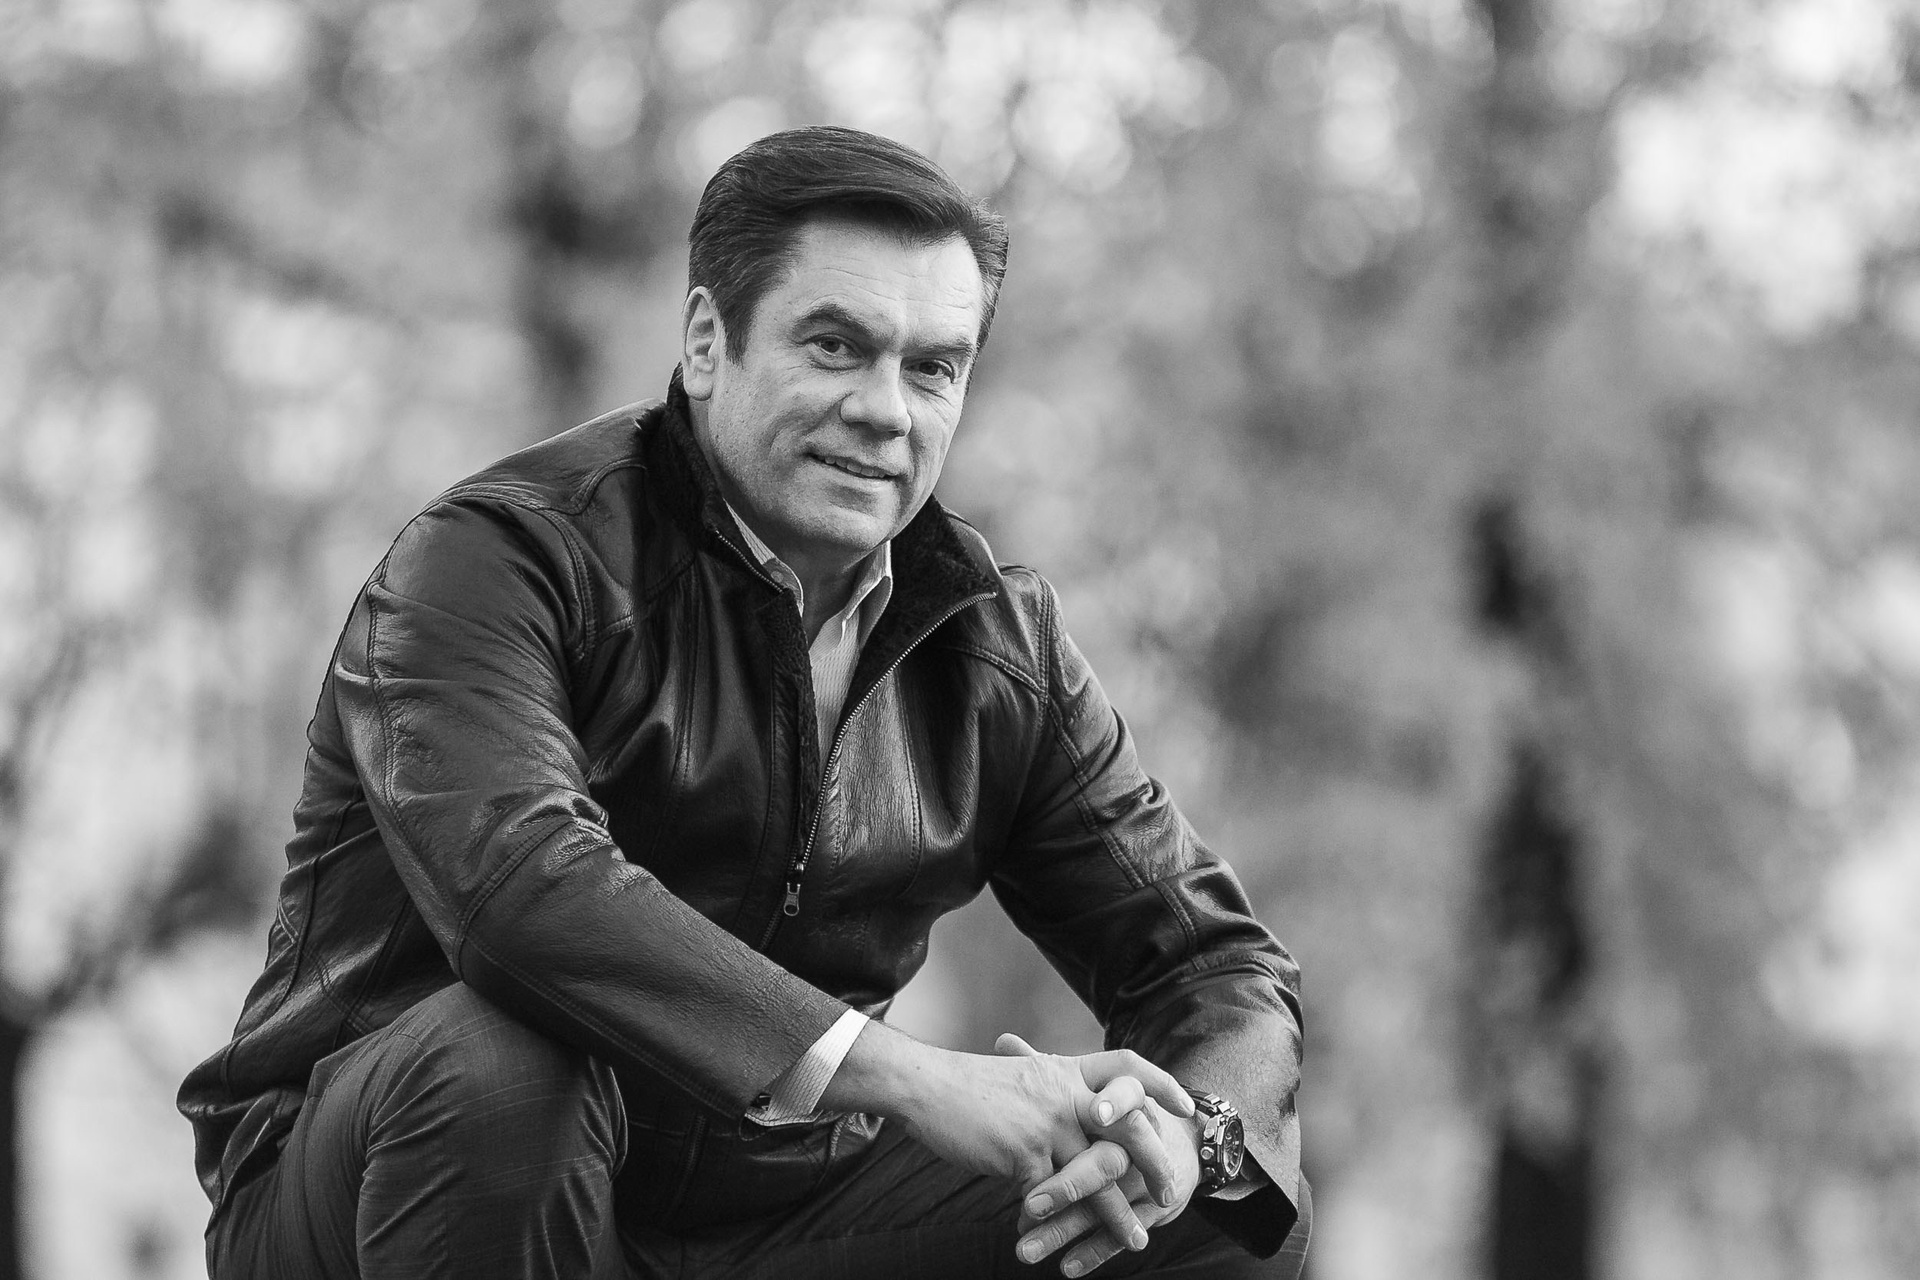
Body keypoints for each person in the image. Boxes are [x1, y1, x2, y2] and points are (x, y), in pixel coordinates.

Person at [179, 125, 1308, 1280]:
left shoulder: (997, 647)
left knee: (1206, 1209)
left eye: (934, 367)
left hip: (765, 1212)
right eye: (836, 346)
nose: (887, 409)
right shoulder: (499, 558)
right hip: (391, 1182)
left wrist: (1187, 1132)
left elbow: (1214, 963)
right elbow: (519, 891)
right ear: (707, 341)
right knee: (509, 1060)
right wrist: (917, 1077)